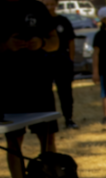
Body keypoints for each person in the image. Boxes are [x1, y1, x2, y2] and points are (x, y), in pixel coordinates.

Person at [0, 0, 59, 178]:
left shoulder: (37, 7)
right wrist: (5, 46)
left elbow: (55, 42)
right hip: (10, 86)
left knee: (47, 137)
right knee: (14, 140)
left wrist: (41, 43)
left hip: (40, 84)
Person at [42, 0, 78, 129]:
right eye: (46, 4)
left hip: (62, 60)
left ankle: (68, 118)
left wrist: (71, 60)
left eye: (52, 4)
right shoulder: (39, 21)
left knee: (65, 92)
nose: (50, 7)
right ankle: (49, 121)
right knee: (45, 92)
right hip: (44, 61)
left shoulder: (63, 21)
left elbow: (71, 42)